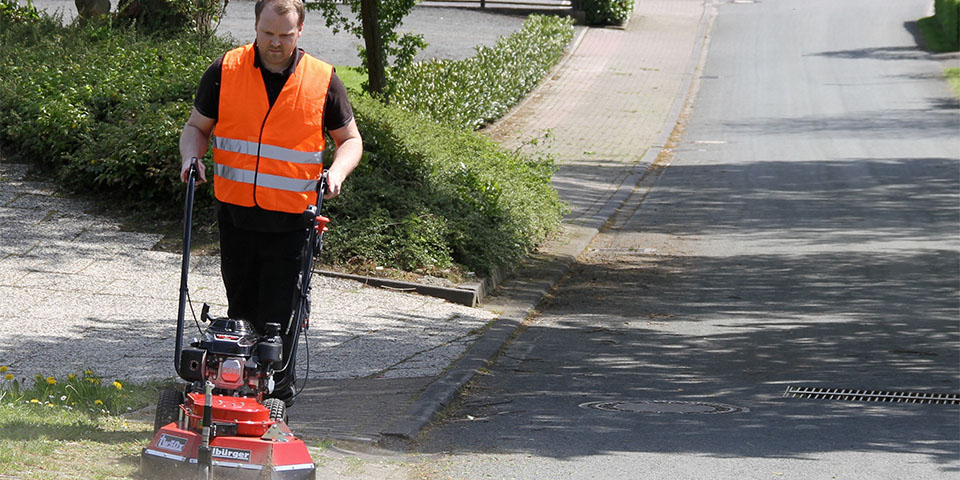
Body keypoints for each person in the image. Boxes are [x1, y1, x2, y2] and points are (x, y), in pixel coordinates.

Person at [178, 0, 363, 406]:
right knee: (239, 312)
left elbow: (350, 140)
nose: (275, 43)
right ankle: (232, 393)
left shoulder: (323, 81)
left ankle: (274, 401)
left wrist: (336, 173)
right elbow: (196, 127)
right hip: (237, 217)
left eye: (285, 34)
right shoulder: (225, 71)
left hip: (293, 224)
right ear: (256, 25)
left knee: (279, 319)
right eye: (268, 33)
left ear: (301, 31)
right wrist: (191, 159)